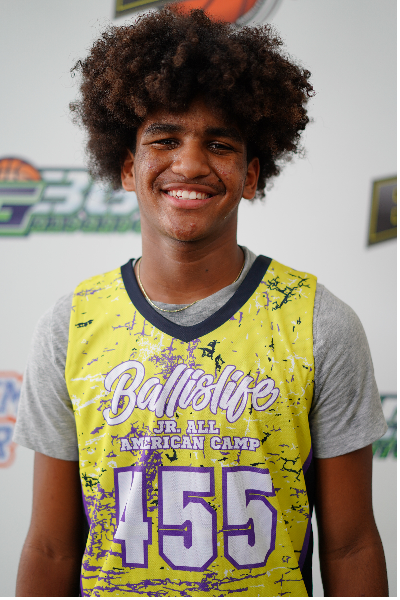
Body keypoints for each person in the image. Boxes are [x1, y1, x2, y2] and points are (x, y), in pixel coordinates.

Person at [14, 6, 388, 597]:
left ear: (251, 176)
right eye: (165, 140)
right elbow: (51, 546)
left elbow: (351, 545)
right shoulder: (71, 324)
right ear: (128, 167)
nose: (189, 164)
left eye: (219, 144)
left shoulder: (318, 322)